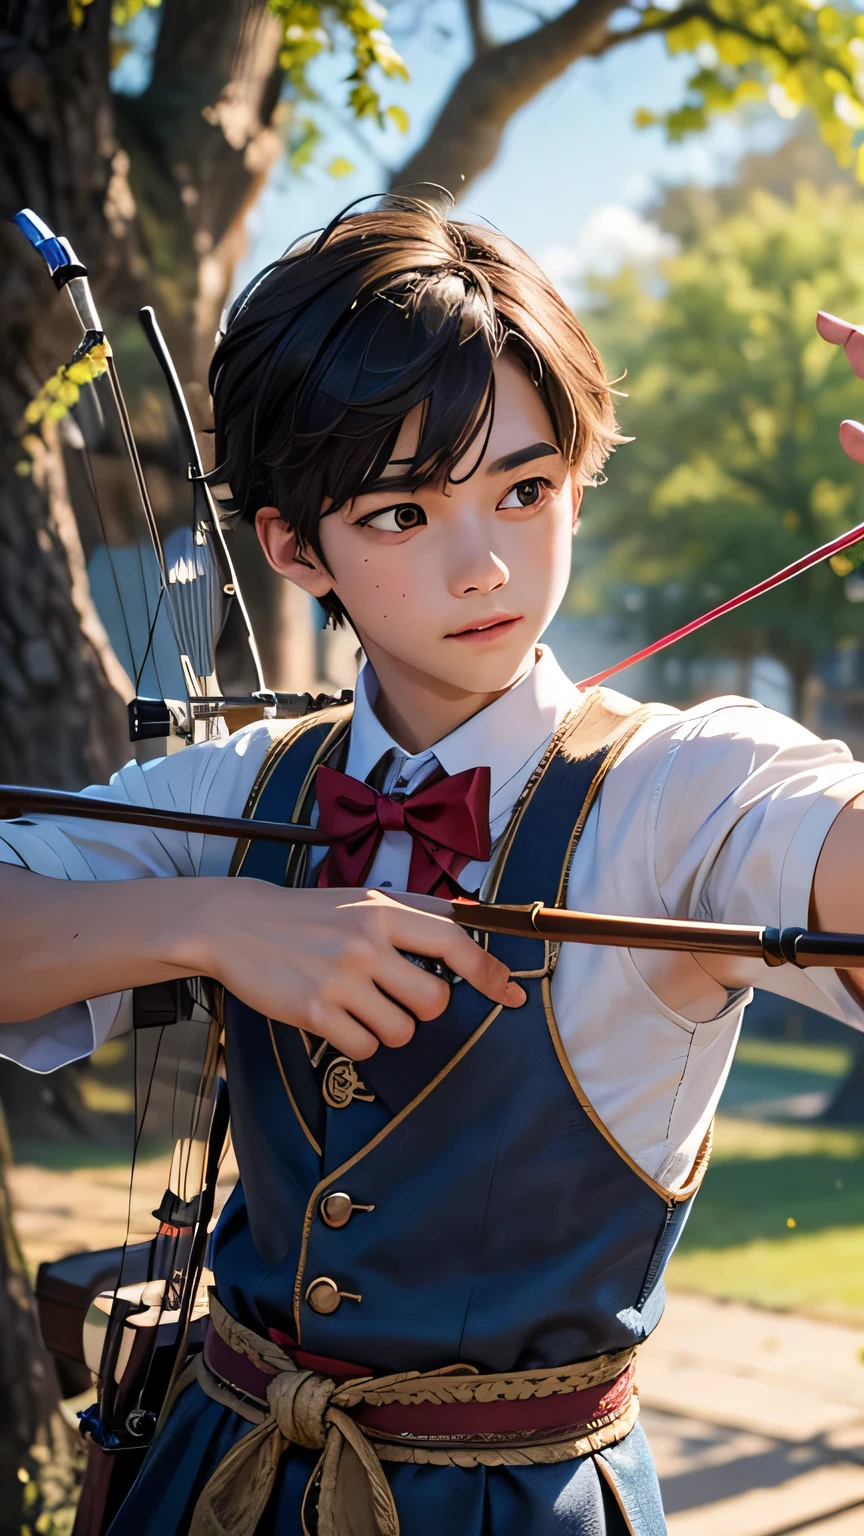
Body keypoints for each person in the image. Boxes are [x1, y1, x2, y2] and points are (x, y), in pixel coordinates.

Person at [3, 197, 864, 1536]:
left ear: (579, 480)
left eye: (526, 490)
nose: (487, 564)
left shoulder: (683, 788)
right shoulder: (246, 786)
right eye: (404, 512)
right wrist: (220, 922)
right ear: (295, 548)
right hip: (209, 1477)